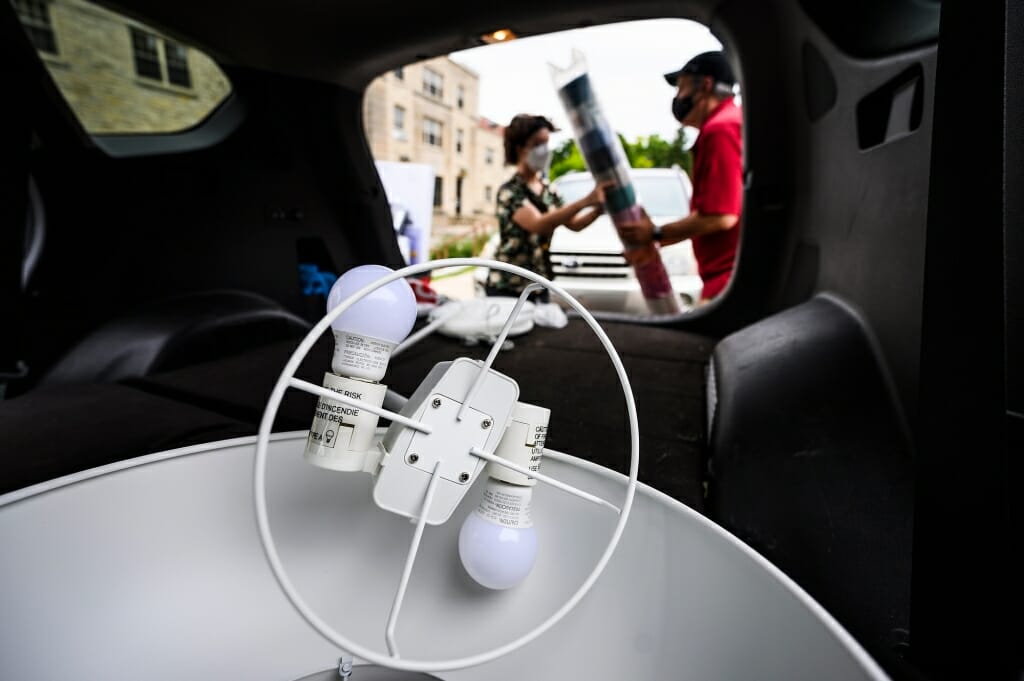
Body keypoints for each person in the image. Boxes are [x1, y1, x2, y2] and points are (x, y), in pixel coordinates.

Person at [619, 51, 743, 303]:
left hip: (725, 278)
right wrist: (653, 242)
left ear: (705, 85)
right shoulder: (729, 123)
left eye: (681, 87)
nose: (678, 97)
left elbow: (721, 217)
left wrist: (653, 233)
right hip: (725, 275)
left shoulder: (721, 129)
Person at [487, 114, 607, 299]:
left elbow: (575, 223)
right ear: (520, 148)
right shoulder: (510, 191)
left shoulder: (549, 190)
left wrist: (599, 208)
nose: (544, 150)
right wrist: (585, 201)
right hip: (508, 286)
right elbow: (538, 224)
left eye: (546, 143)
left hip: (538, 284)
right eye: (537, 144)